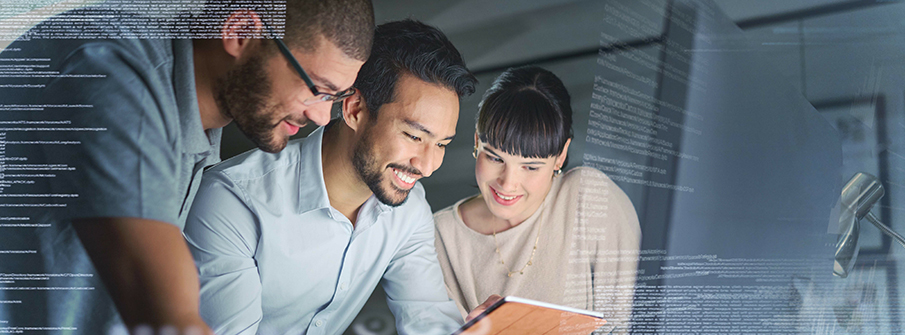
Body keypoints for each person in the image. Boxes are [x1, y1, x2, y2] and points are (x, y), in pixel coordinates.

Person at [0, 0, 373, 333]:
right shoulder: (113, 71)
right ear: (241, 33)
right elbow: (167, 315)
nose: (323, 116)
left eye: (337, 97)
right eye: (317, 89)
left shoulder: (198, 117)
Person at [184, 20, 483, 335]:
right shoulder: (233, 201)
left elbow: (429, 321)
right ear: (354, 109)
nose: (426, 165)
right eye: (413, 136)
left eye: (441, 144)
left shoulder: (409, 212)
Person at [433, 66, 642, 330]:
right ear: (476, 142)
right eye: (495, 158)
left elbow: (629, 322)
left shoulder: (589, 200)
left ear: (561, 156)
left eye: (530, 167)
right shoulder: (438, 237)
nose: (508, 183)